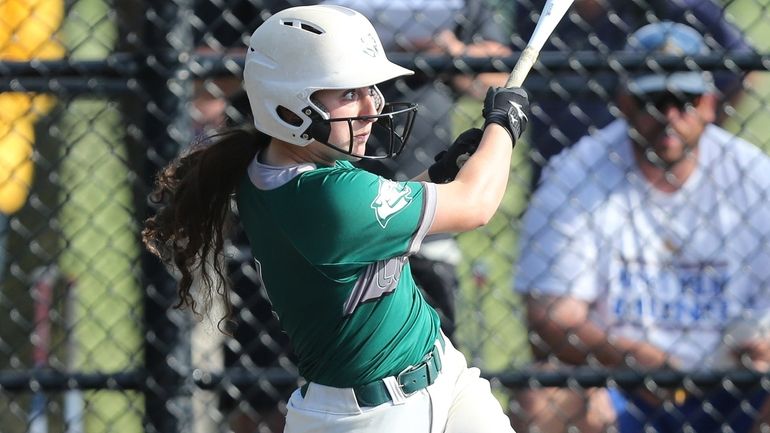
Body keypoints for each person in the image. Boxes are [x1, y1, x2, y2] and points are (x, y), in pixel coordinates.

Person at [143, 5, 529, 433]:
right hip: (370, 418)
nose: (371, 108)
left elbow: (379, 220)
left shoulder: (284, 168)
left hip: (444, 377)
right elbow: (474, 205)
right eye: (348, 94)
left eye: (370, 89)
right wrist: (504, 123)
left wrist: (438, 174)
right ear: (288, 107)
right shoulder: (324, 198)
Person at [511, 22, 770, 433]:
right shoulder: (576, 172)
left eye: (683, 100)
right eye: (653, 99)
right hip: (620, 387)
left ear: (708, 104)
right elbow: (549, 319)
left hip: (736, 385)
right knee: (541, 400)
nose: (668, 116)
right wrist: (634, 360)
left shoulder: (755, 177)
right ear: (624, 102)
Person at [513, 0, 755, 190]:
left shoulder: (675, 6)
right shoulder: (533, 7)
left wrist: (696, 124)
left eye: (684, 102)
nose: (671, 111)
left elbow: (744, 65)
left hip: (641, 161)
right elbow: (508, 63)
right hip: (556, 159)